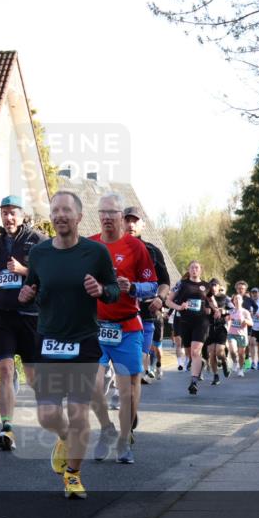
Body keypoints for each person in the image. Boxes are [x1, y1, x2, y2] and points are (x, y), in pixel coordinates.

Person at [19, 190, 118, 499]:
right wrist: (27, 294)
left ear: (78, 217)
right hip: (48, 340)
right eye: (55, 210)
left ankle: (73, 475)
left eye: (66, 210)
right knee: (47, 415)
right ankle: (64, 439)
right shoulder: (39, 254)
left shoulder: (96, 253)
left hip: (84, 341)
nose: (60, 215)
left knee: (79, 413)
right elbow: (34, 286)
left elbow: (114, 291)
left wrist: (101, 290)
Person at [89, 194, 157, 464]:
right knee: (92, 386)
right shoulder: (89, 245)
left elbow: (152, 285)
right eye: (103, 212)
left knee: (127, 389)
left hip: (128, 326)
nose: (107, 217)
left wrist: (134, 287)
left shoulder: (136, 247)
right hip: (96, 327)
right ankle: (107, 428)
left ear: (120, 216)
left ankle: (124, 440)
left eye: (112, 212)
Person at [0, 195, 46, 451]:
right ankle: (7, 427)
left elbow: (49, 274)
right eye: (4, 212)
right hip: (2, 314)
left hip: (30, 316)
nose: (8, 217)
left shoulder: (38, 240)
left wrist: (24, 271)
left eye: (12, 212)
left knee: (34, 377)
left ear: (22, 215)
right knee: (5, 369)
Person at [123, 206, 170, 383]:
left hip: (146, 313)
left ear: (143, 225)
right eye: (127, 220)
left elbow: (165, 281)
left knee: (139, 359)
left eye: (135, 221)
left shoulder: (152, 251)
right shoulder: (108, 248)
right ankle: (119, 389)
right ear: (121, 222)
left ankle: (126, 393)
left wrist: (160, 298)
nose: (131, 224)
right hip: (116, 314)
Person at [166, 262, 217, 394]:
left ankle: (194, 381)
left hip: (201, 322)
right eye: (192, 267)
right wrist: (179, 307)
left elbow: (211, 301)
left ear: (200, 270)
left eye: (197, 268)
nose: (194, 270)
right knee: (189, 352)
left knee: (195, 351)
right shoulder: (182, 284)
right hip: (185, 321)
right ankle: (199, 364)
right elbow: (168, 301)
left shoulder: (206, 286)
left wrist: (215, 310)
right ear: (188, 270)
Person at [205, 280, 231, 386]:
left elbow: (233, 310)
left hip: (221, 327)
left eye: (215, 285)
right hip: (209, 328)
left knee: (219, 352)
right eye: (211, 285)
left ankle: (224, 362)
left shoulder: (225, 298)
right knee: (212, 353)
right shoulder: (205, 297)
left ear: (219, 286)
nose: (213, 287)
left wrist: (222, 311)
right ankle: (216, 376)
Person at [227, 294, 254, 377]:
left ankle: (241, 369)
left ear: (242, 301)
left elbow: (251, 323)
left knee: (241, 354)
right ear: (233, 301)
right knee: (232, 350)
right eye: (236, 299)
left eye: (239, 299)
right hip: (232, 334)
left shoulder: (245, 312)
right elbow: (227, 321)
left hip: (241, 335)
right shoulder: (231, 311)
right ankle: (235, 362)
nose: (237, 300)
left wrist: (245, 321)